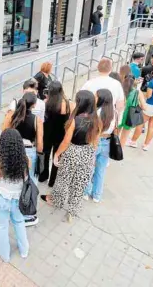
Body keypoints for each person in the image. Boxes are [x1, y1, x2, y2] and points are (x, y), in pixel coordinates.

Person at [41, 90, 101, 222]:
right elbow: (96, 142)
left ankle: (57, 201)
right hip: (87, 152)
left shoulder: (75, 120)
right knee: (79, 183)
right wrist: (92, 157)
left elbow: (66, 141)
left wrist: (57, 154)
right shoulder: (97, 121)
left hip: (72, 152)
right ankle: (72, 212)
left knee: (63, 180)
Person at [0, 128, 30, 262]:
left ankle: (5, 255)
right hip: (18, 199)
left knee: (2, 226)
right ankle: (24, 251)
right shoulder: (26, 160)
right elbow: (26, 178)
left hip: (2, 198)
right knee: (19, 222)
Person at [2, 92, 42, 227]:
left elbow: (6, 132)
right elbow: (40, 142)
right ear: (34, 105)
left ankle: (12, 208)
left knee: (15, 180)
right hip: (30, 151)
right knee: (29, 182)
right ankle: (28, 214)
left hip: (15, 149)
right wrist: (40, 155)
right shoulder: (37, 120)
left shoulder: (13, 117)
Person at [84, 89, 116, 203]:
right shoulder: (114, 112)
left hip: (96, 141)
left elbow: (93, 129)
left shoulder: (97, 112)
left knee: (89, 168)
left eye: (96, 96)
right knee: (100, 170)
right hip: (107, 142)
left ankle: (86, 192)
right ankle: (97, 195)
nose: (95, 98)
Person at [41, 81, 73, 186]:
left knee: (45, 154)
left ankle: (43, 175)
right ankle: (52, 181)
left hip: (47, 133)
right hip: (60, 135)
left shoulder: (47, 103)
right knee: (57, 156)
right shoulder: (66, 103)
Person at [118, 75, 147, 147]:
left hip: (119, 115)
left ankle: (111, 150)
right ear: (134, 81)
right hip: (129, 117)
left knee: (115, 135)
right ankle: (119, 153)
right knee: (124, 137)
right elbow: (144, 107)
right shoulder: (137, 92)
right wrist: (137, 103)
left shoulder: (119, 90)